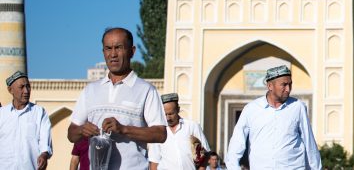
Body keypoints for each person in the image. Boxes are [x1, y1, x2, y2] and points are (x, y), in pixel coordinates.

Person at [67, 27, 167, 169]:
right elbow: (71, 134)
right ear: (103, 52)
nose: (113, 54)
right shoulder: (90, 90)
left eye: (118, 47)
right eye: (108, 48)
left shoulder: (146, 90)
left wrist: (123, 129)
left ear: (132, 51)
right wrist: (82, 130)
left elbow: (160, 134)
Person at [224, 65, 321, 169]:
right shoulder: (251, 109)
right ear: (270, 86)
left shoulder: (298, 107)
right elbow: (237, 142)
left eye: (290, 84)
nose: (288, 89)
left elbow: (309, 142)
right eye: (284, 85)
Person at [0, 71, 52, 169]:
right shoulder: (2, 114)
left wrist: (44, 155)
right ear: (10, 90)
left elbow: (45, 141)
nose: (26, 91)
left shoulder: (39, 113)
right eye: (21, 87)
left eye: (28, 86)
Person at [149, 93, 210, 169]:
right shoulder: (158, 132)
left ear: (178, 109)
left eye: (171, 114)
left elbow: (206, 154)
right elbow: (154, 161)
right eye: (165, 114)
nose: (168, 118)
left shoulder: (192, 126)